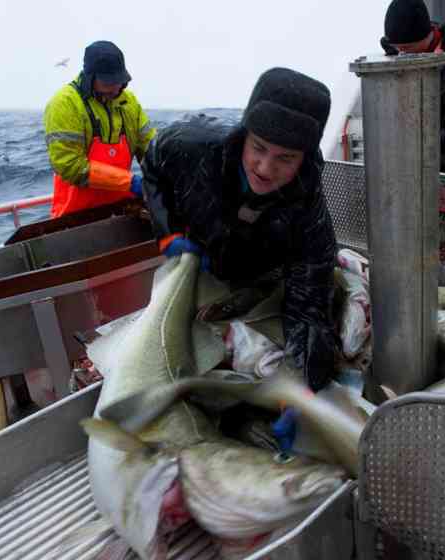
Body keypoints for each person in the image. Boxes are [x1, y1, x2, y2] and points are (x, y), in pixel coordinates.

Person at [141, 68, 337, 448]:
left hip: (257, 274)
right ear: (244, 133)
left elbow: (309, 305)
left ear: (305, 158)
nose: (265, 168)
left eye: (285, 158)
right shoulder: (191, 145)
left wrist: (298, 383)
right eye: (259, 147)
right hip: (195, 259)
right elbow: (151, 166)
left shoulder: (308, 214)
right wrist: (167, 231)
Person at [381, 0, 445, 247]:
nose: (403, 54)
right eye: (398, 48)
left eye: (408, 48)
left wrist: (414, 150)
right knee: (403, 238)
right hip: (400, 168)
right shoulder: (398, 48)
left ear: (427, 36)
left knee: (438, 243)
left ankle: (443, 279)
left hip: (439, 171)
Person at [44, 41, 156, 217]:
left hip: (124, 210)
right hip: (75, 218)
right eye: (108, 82)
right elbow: (70, 166)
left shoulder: (130, 103)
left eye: (119, 80)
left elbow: (152, 150)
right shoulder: (64, 104)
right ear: (89, 77)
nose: (115, 87)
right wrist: (131, 182)